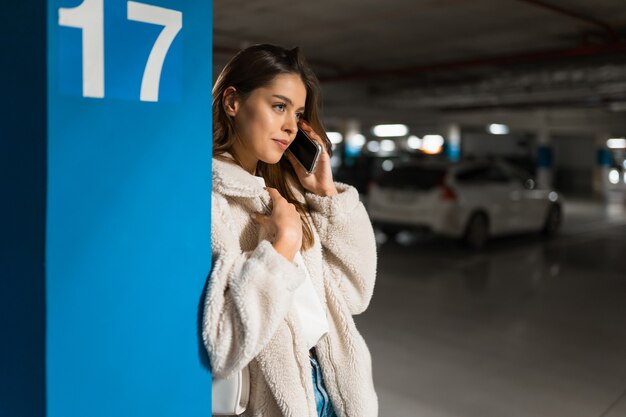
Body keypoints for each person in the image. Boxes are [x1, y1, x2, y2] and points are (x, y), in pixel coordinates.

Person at [202, 44, 378, 417]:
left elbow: (354, 294)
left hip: (332, 386)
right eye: (278, 106)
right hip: (279, 400)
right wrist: (281, 247)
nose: (290, 126)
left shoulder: (286, 192)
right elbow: (224, 345)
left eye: (297, 114)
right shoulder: (209, 200)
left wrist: (326, 195)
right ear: (232, 101)